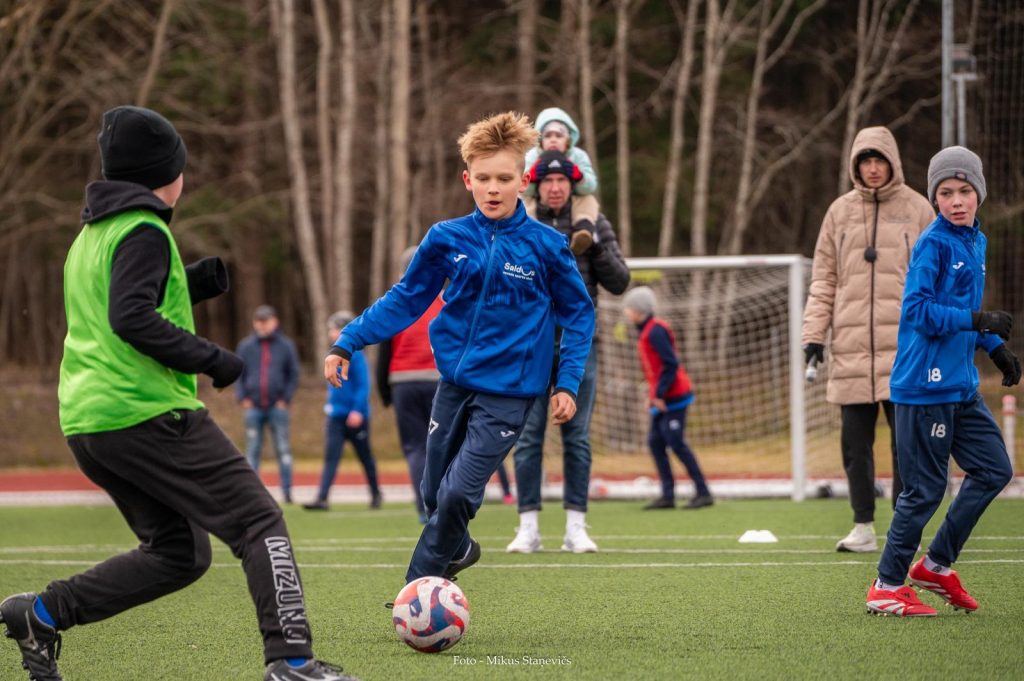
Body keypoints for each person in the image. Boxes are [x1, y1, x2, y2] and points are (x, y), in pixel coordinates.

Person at [0, 106, 352, 681]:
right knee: (259, 521)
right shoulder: (145, 229)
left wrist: (190, 282)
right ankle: (291, 661)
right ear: (170, 173)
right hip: (146, 412)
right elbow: (131, 317)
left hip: (89, 423)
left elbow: (117, 301)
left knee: (179, 553)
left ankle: (41, 614)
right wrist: (215, 360)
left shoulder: (91, 236)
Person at [325, 111, 595, 584]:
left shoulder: (547, 246)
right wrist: (349, 341)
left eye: (504, 179)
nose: (493, 189)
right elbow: (406, 299)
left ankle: (418, 589)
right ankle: (460, 548)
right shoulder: (446, 238)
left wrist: (567, 382)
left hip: (510, 394)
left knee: (456, 495)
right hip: (452, 386)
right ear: (467, 179)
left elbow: (579, 313)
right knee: (434, 494)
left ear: (523, 181)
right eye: (484, 178)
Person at [865, 146, 1020, 617]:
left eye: (964, 191)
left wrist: (994, 347)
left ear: (979, 194)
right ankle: (886, 586)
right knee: (925, 492)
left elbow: (964, 311)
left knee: (995, 470)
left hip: (960, 386)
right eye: (946, 192)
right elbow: (917, 311)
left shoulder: (976, 240)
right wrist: (978, 319)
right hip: (924, 388)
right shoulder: (934, 244)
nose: (956, 201)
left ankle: (935, 565)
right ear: (935, 198)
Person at [802, 126, 935, 552]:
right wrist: (813, 335)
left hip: (906, 350)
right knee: (854, 446)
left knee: (906, 446)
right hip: (851, 350)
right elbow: (823, 279)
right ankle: (862, 526)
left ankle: (903, 528)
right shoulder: (838, 213)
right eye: (866, 161)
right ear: (855, 166)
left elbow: (935, 278)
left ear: (893, 162)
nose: (873, 169)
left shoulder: (918, 209)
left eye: (880, 160)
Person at [506, 149, 630, 554]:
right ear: (536, 186)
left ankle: (576, 527)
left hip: (580, 345)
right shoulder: (519, 222)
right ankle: (528, 528)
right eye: (548, 181)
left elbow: (620, 282)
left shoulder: (593, 222)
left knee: (577, 437)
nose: (556, 187)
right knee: (527, 437)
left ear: (573, 185)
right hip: (530, 345)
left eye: (563, 181)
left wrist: (593, 247)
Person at [621, 286, 713, 511]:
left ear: (639, 309)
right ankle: (667, 495)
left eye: (629, 307)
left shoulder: (656, 331)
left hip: (675, 396)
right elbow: (656, 369)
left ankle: (703, 492)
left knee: (676, 442)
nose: (626, 311)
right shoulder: (646, 331)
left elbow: (670, 364)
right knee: (655, 441)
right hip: (662, 396)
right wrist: (653, 395)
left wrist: (660, 394)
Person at [304, 312, 381, 511]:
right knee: (331, 457)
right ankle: (322, 498)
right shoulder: (333, 355)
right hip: (336, 416)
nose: (331, 333)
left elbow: (363, 386)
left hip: (355, 416)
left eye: (334, 329)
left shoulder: (357, 356)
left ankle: (376, 494)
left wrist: (357, 411)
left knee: (365, 457)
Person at [236, 305, 300, 503]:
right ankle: (252, 494)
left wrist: (285, 399)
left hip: (277, 407)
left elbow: (293, 374)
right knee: (252, 451)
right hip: (253, 407)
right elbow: (238, 373)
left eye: (266, 321)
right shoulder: (246, 346)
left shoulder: (286, 346)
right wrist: (243, 397)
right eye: (259, 321)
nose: (262, 325)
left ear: (275, 322)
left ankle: (287, 491)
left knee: (283, 449)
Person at [522, 107, 600, 255]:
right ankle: (530, 234)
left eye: (559, 135)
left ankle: (582, 231)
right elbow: (520, 188)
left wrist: (579, 176)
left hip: (571, 201)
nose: (553, 139)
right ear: (540, 140)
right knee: (522, 202)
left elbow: (591, 186)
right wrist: (531, 177)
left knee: (588, 200)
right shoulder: (532, 157)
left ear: (568, 140)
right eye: (547, 135)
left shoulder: (578, 156)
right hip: (538, 201)